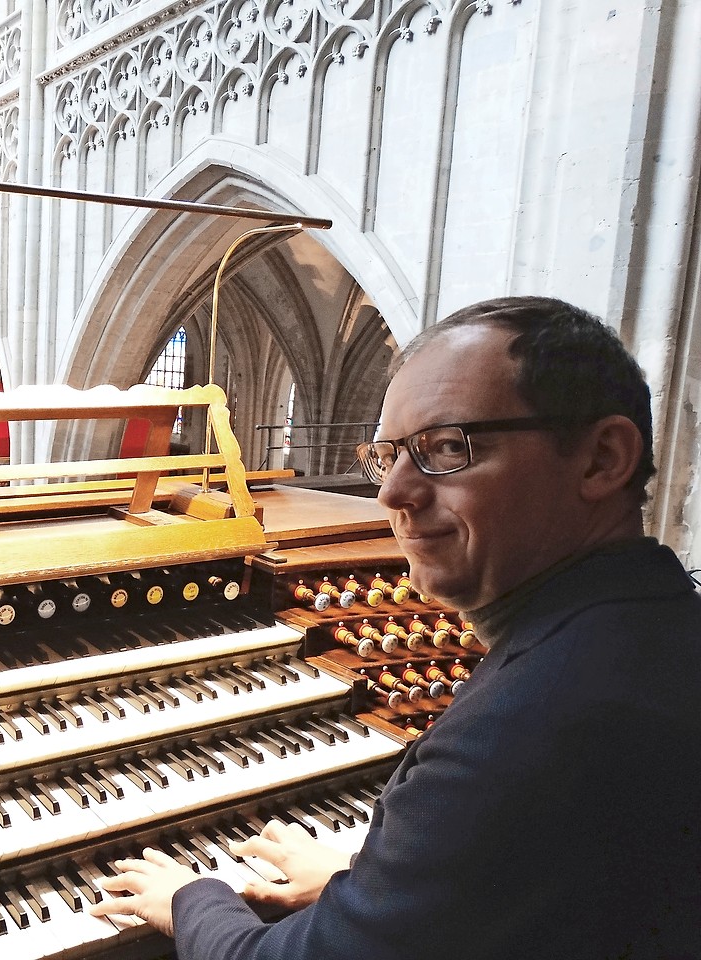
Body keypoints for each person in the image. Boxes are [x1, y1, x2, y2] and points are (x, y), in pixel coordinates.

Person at [92, 296, 701, 958]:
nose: (390, 494)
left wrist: (192, 898)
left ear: (601, 459)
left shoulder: (528, 723)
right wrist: (365, 890)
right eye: (388, 455)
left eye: (446, 447)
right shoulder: (657, 621)